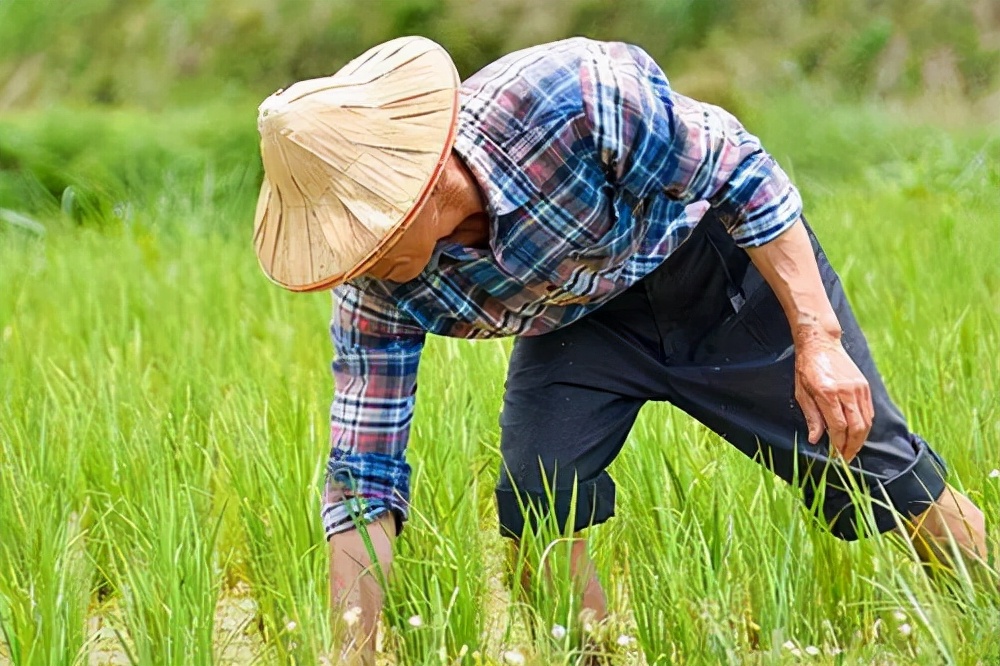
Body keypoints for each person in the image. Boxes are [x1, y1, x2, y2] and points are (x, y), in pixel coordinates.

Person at [253, 36, 988, 662]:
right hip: (581, 320)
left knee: (879, 468)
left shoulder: (569, 100)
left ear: (416, 188)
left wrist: (818, 339)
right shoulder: (376, 292)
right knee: (538, 493)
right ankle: (592, 653)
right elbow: (362, 472)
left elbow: (743, 172)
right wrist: (353, 651)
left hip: (715, 267)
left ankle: (988, 612)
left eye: (361, 239)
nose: (352, 264)